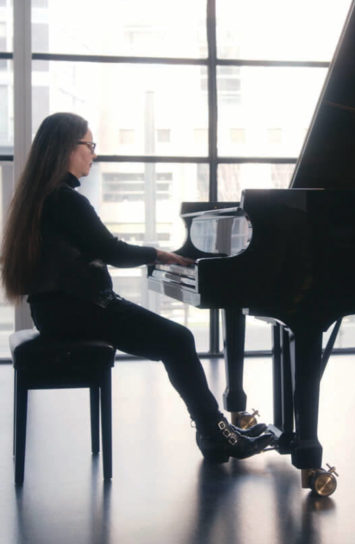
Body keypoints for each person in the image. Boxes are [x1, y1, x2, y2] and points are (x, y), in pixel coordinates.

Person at [1, 111, 273, 463]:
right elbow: (112, 251)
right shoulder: (65, 199)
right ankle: (216, 434)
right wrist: (159, 255)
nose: (93, 154)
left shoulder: (43, 196)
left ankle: (215, 430)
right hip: (77, 311)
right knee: (178, 340)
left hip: (57, 311)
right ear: (68, 148)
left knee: (174, 341)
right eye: (89, 145)